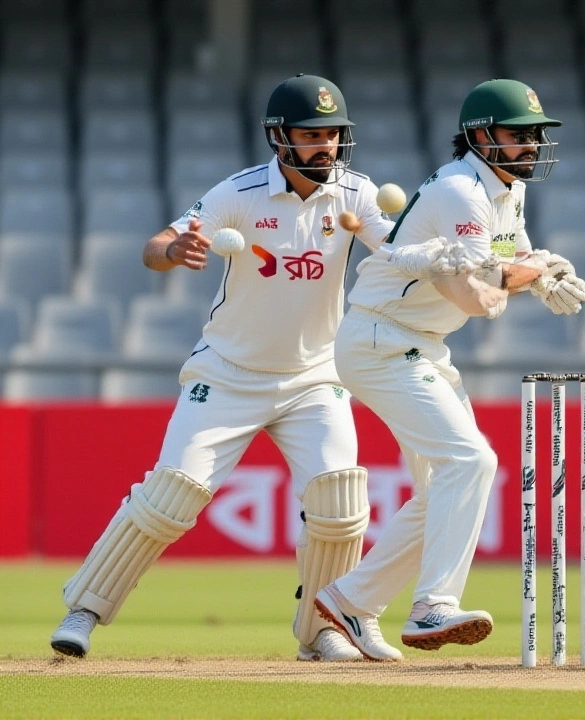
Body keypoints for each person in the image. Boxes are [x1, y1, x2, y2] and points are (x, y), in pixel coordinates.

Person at [50, 74, 396, 662]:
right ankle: (84, 610)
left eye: (335, 134)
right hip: (228, 375)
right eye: (313, 135)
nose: (328, 147)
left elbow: (394, 249)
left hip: (315, 378)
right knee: (171, 497)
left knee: (340, 502)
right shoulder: (238, 192)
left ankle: (324, 630)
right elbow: (156, 245)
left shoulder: (356, 194)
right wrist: (175, 250)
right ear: (280, 138)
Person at [311, 79, 585, 659]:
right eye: (519, 135)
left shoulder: (505, 188)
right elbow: (476, 295)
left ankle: (352, 601)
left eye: (536, 135)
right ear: (481, 136)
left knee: (445, 486)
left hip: (421, 342)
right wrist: (529, 275)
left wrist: (541, 273)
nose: (532, 145)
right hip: (382, 338)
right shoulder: (463, 189)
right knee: (472, 459)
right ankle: (433, 605)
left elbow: (506, 263)